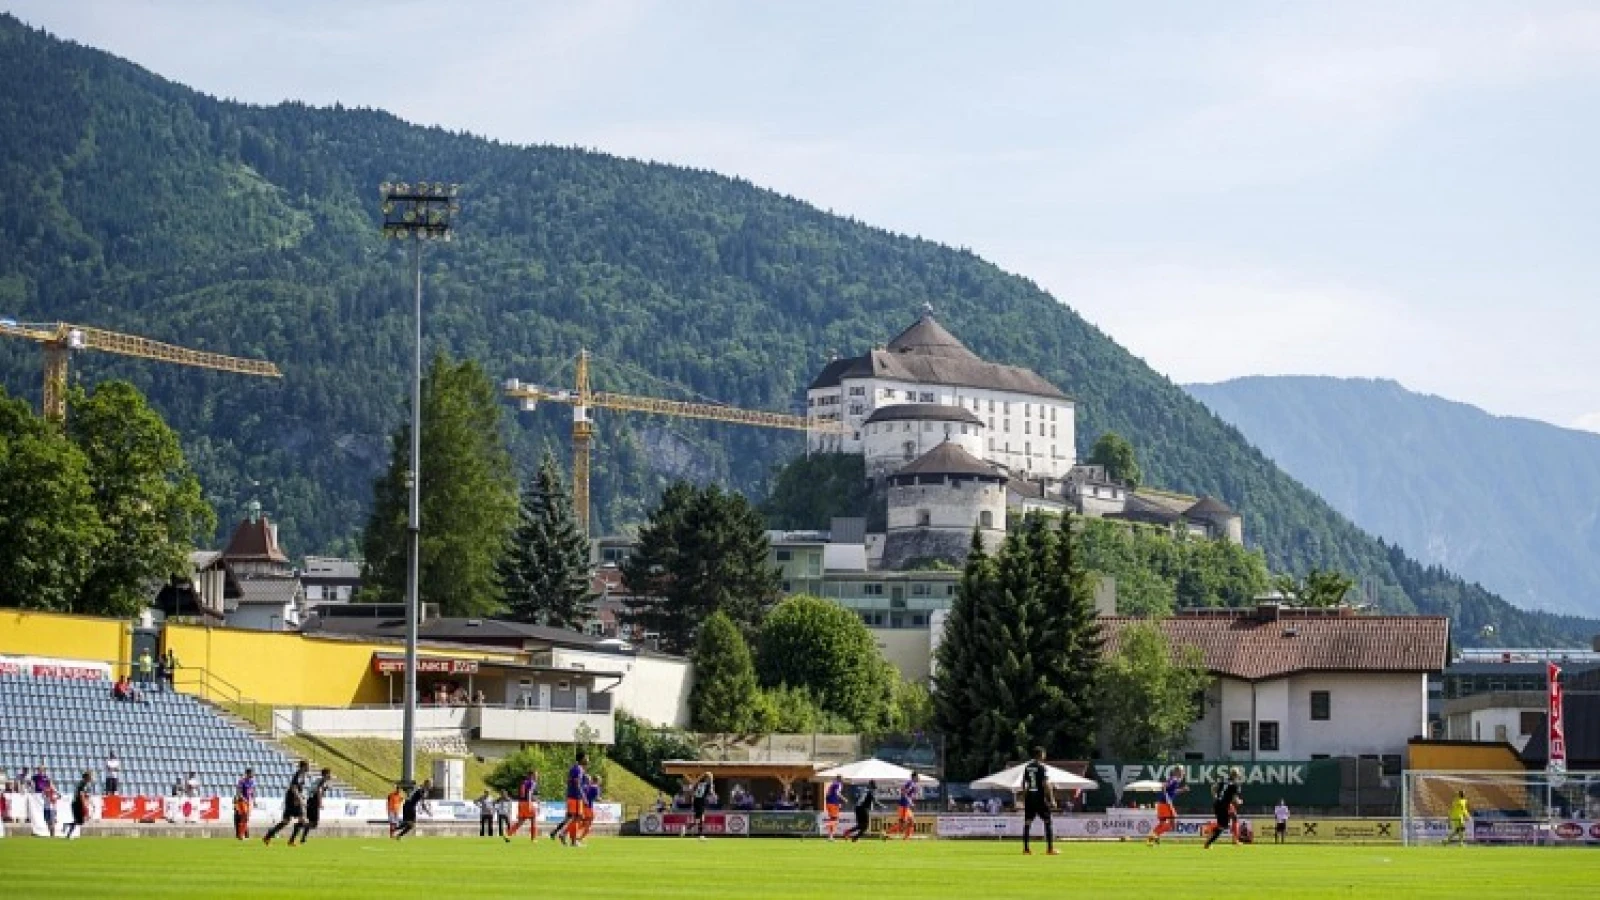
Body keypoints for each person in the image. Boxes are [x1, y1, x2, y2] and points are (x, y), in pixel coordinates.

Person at [1020, 747, 1058, 856]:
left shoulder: (1027, 767)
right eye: (1044, 754)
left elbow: (1024, 784)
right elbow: (1045, 784)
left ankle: (1026, 849)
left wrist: (1024, 797)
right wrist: (1052, 799)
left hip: (1030, 797)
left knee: (1027, 823)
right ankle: (1050, 849)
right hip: (1040, 797)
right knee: (1048, 821)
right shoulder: (1042, 767)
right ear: (1040, 755)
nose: (1045, 756)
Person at [262, 760, 309, 846]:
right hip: (293, 800)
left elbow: (297, 789)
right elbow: (294, 788)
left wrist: (301, 796)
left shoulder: (301, 775)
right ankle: (291, 841)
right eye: (307, 766)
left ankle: (268, 836)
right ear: (303, 767)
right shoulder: (298, 775)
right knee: (302, 820)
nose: (308, 768)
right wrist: (300, 799)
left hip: (291, 800)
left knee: (285, 821)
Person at [552, 750, 588, 845]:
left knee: (575, 818)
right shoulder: (578, 769)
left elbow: (571, 782)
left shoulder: (575, 768)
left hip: (572, 796)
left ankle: (566, 836)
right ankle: (567, 837)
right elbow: (577, 783)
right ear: (582, 758)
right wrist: (583, 797)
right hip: (575, 797)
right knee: (577, 817)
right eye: (586, 757)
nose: (588, 759)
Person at [1202, 770, 1243, 849]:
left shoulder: (1224, 781)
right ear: (1236, 776)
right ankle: (1208, 843)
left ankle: (1235, 839)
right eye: (1238, 775)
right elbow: (1235, 799)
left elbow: (1213, 787)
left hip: (1218, 804)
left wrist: (1215, 797)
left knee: (1234, 817)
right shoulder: (1235, 785)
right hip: (1224, 805)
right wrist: (1239, 801)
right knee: (1222, 826)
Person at [1147, 769, 1187, 846]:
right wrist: (1166, 795)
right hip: (1166, 804)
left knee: (1162, 824)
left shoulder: (1175, 781)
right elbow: (1165, 785)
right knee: (1172, 825)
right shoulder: (1174, 779)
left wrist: (1183, 790)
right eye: (1182, 772)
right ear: (1177, 773)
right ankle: (1154, 835)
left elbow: (1173, 791)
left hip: (1161, 804)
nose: (1183, 774)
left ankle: (1152, 838)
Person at [298, 767, 330, 844]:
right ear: (326, 774)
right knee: (314, 824)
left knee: (311, 822)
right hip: (314, 802)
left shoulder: (318, 780)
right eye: (329, 774)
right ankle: (299, 826)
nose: (330, 776)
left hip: (310, 801)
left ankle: (303, 838)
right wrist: (320, 803)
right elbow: (318, 792)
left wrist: (324, 790)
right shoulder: (322, 781)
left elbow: (315, 791)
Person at [884, 772, 919, 841]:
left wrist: (910, 801)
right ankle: (886, 833)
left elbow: (907, 793)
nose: (918, 778)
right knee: (901, 824)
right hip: (903, 806)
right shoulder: (910, 783)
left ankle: (906, 838)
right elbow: (903, 792)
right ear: (914, 777)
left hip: (907, 806)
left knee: (912, 821)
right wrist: (909, 800)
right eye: (917, 777)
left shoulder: (913, 784)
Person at [505, 770, 539, 839]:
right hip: (527, 803)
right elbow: (529, 793)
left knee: (520, 821)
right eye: (536, 775)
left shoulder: (523, 782)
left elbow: (522, 793)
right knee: (533, 819)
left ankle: (508, 834)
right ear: (531, 775)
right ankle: (533, 839)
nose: (537, 776)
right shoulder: (532, 782)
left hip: (521, 803)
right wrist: (529, 803)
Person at [685, 771, 714, 839]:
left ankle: (688, 828)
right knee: (701, 818)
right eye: (710, 778)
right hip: (701, 801)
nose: (711, 779)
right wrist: (712, 785)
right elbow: (711, 793)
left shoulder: (700, 784)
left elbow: (692, 790)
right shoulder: (708, 785)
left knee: (698, 818)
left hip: (696, 801)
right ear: (708, 778)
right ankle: (700, 834)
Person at [63, 771, 93, 839]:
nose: (91, 778)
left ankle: (67, 832)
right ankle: (68, 831)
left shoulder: (84, 784)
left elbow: (86, 796)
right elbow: (81, 795)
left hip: (78, 803)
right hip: (77, 804)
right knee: (79, 821)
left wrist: (91, 803)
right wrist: (84, 805)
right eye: (90, 777)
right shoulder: (82, 784)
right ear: (86, 777)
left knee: (79, 821)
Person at [234, 767, 257, 840]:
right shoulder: (242, 781)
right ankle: (241, 835)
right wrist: (244, 799)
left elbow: (252, 792)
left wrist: (254, 800)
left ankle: (241, 835)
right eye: (252, 773)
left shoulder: (252, 782)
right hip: (241, 801)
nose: (253, 774)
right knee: (244, 816)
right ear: (247, 773)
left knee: (245, 818)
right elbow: (239, 792)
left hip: (248, 802)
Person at [35, 766, 58, 837]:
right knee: (47, 821)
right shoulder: (45, 790)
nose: (49, 783)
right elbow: (43, 796)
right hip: (46, 807)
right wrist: (46, 795)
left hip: (51, 808)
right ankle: (51, 833)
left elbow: (57, 797)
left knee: (51, 821)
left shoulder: (53, 790)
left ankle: (53, 834)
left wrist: (54, 797)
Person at [824, 775, 846, 841]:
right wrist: (844, 799)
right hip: (833, 804)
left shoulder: (832, 784)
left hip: (829, 803)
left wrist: (837, 802)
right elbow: (837, 793)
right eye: (842, 779)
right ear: (840, 779)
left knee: (832, 819)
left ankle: (830, 837)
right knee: (835, 820)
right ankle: (824, 826)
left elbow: (828, 794)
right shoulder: (838, 784)